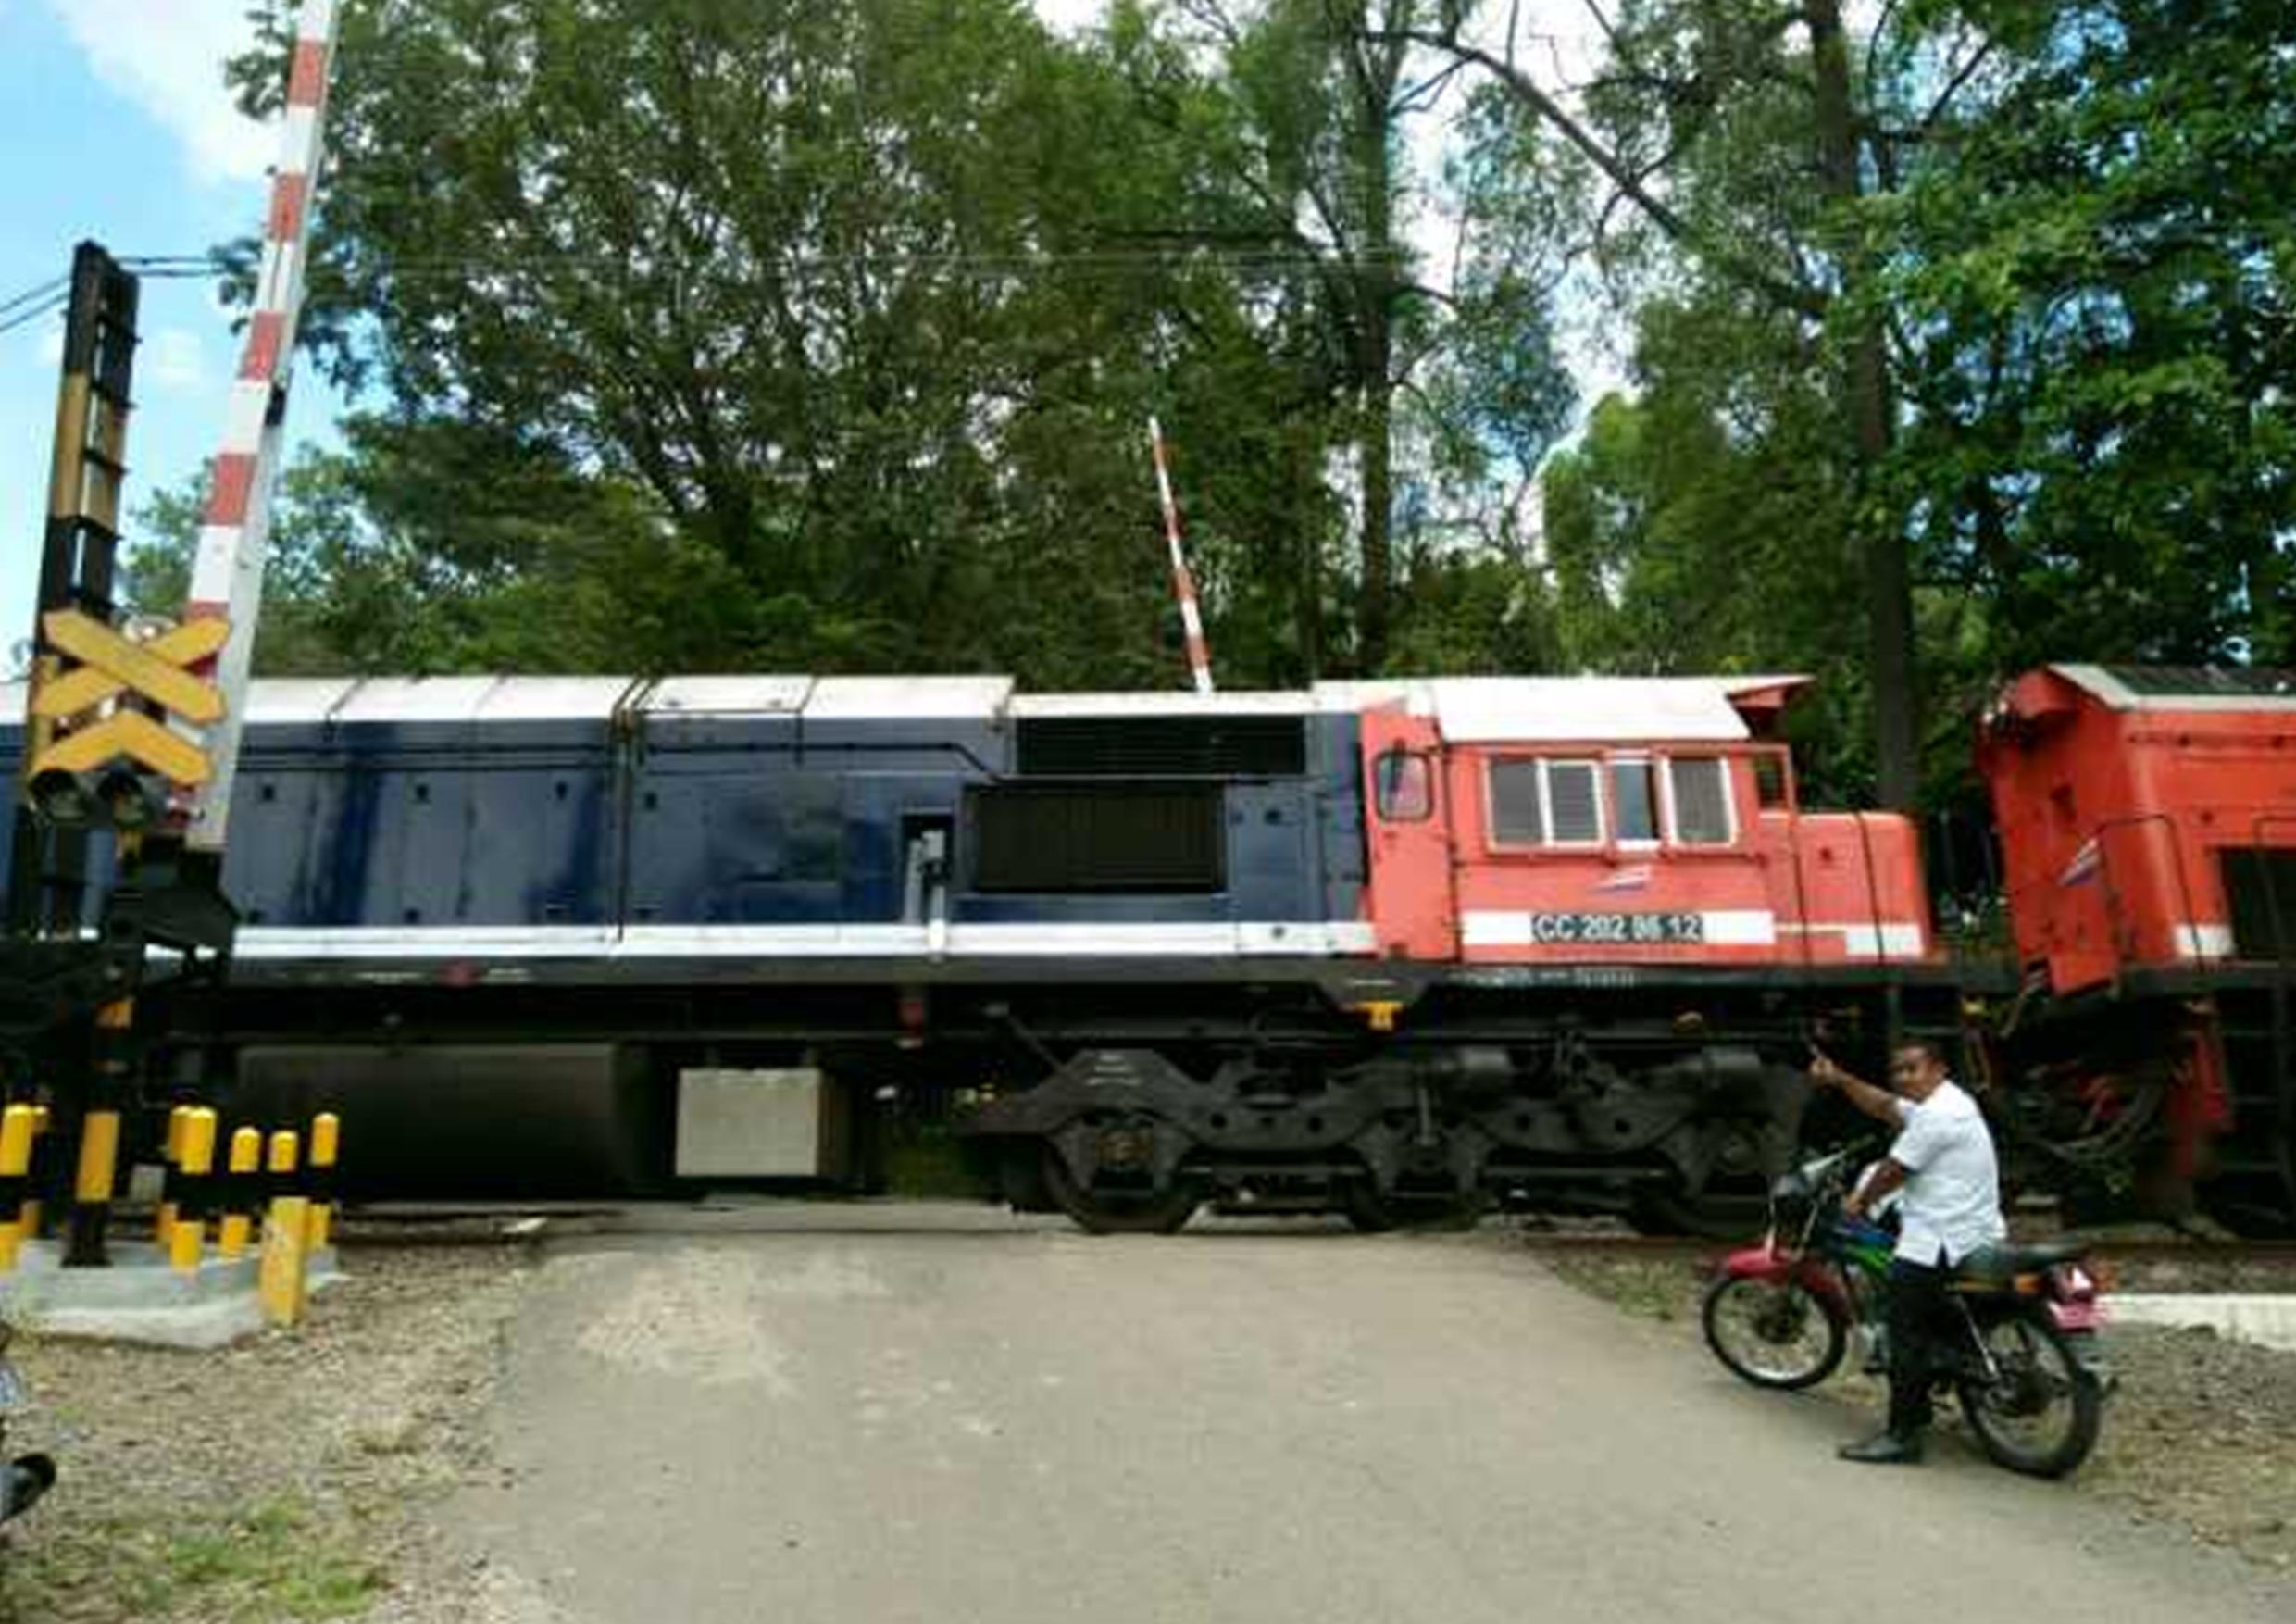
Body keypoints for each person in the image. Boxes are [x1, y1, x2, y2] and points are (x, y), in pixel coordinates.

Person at [1807, 1037, 2006, 1464]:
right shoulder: (1951, 1101)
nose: (1903, 1078)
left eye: (1912, 1069)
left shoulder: (1938, 1116)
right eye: (1898, 1070)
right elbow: (1885, 1106)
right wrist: (1841, 1078)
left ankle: (1903, 1434)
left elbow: (1895, 1169)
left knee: (1904, 1329)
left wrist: (1858, 1202)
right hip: (1972, 1229)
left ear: (1938, 1070)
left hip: (1941, 1236)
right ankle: (1946, 1361)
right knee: (1926, 1310)